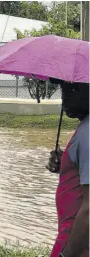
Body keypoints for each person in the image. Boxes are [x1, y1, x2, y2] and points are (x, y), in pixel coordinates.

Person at [45, 79, 89, 257]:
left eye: (74, 89)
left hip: (76, 239)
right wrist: (66, 162)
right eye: (63, 90)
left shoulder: (87, 135)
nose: (65, 98)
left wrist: (67, 254)